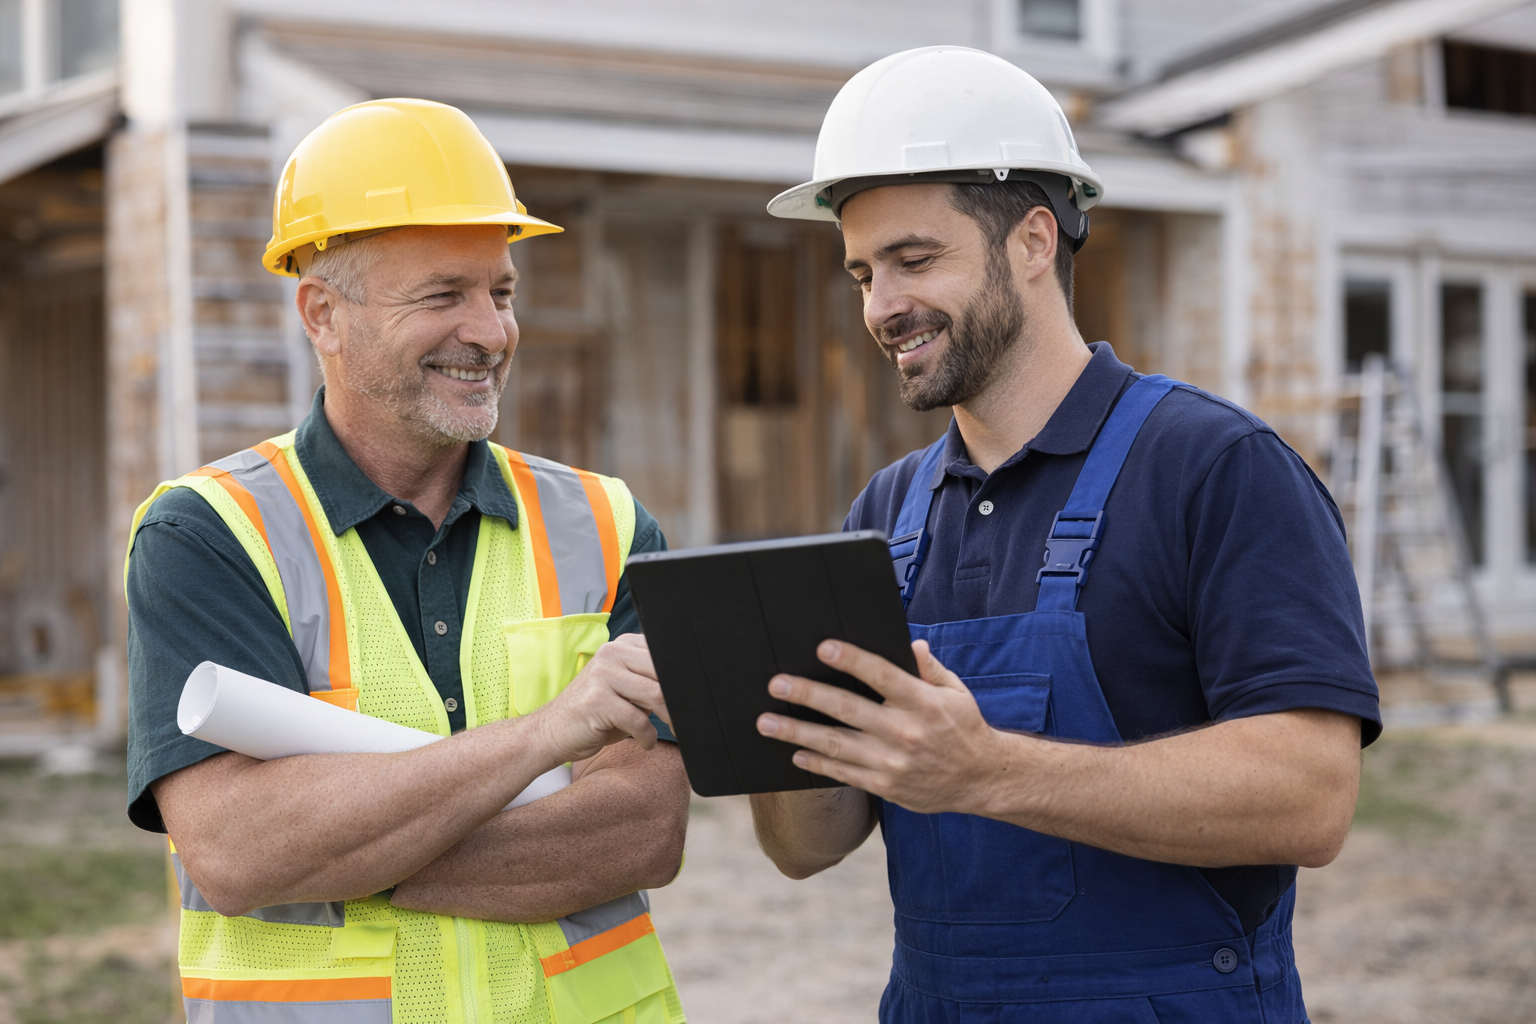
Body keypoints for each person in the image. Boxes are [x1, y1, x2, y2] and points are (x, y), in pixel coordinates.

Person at [752, 47, 1378, 1022]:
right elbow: (808, 846)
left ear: (1034, 241)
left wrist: (990, 770)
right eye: (862, 272)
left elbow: (1310, 795)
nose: (881, 307)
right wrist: (764, 722)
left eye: (916, 259)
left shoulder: (1215, 470)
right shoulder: (884, 517)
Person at [124, 98, 688, 1024]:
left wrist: (342, 848)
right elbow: (235, 853)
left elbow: (640, 836)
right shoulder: (208, 536)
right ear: (323, 315)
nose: (490, 331)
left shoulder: (608, 522)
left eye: (500, 292)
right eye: (442, 295)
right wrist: (550, 737)